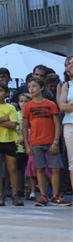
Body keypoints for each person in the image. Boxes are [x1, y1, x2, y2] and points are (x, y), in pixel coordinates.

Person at [22, 77, 70, 206]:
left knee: (56, 169)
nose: (31, 89)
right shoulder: (28, 107)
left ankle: (55, 195)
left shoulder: (50, 104)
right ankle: (43, 196)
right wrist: (27, 145)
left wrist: (55, 142)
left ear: (42, 88)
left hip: (50, 142)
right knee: (40, 169)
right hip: (36, 143)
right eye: (29, 86)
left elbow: (57, 124)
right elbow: (25, 127)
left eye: (34, 86)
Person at [58, 55, 73, 194]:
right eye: (68, 64)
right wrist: (68, 104)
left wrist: (70, 103)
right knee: (72, 162)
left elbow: (65, 104)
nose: (70, 66)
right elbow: (62, 107)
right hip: (69, 125)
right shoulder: (66, 85)